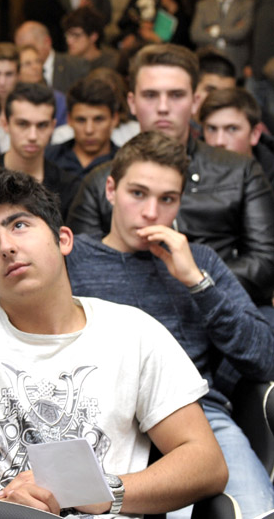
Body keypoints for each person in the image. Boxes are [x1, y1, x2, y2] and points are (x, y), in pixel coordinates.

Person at [0, 166, 228, 516]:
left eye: (20, 225)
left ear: (64, 240)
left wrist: (101, 490)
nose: (6, 247)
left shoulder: (134, 331)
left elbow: (207, 463)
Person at [66, 132, 274, 518]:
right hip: (101, 416)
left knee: (254, 512)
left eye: (167, 199)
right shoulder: (72, 258)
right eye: (138, 194)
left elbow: (264, 358)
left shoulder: (199, 261)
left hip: (196, 415)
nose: (150, 212)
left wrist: (196, 282)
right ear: (111, 190)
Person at [67, 43, 274, 306]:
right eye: (150, 95)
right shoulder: (100, 180)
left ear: (196, 101)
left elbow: (266, 262)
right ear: (132, 102)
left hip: (224, 305)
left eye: (176, 95)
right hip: (128, 312)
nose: (163, 107)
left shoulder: (240, 170)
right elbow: (83, 266)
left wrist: (195, 280)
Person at [0, 83, 79, 218]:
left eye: (42, 125)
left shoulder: (69, 187)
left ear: (53, 127)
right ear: (5, 124)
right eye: (23, 124)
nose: (32, 136)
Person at [45, 75, 120, 180]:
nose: (89, 130)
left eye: (98, 119)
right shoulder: (47, 158)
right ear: (69, 119)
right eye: (81, 120)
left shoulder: (125, 164)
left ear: (114, 119)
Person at [199, 87, 274, 184]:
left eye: (232, 129)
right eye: (212, 129)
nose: (219, 141)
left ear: (254, 134)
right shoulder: (188, 170)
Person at [191, 0, 255, 77]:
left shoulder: (247, 4)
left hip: (236, 63)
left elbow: (241, 33)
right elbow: (195, 34)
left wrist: (214, 30)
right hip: (208, 61)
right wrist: (231, 29)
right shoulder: (203, 4)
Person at [14, 20, 88, 95]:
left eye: (29, 47)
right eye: (19, 48)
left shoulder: (77, 66)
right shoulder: (15, 78)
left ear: (47, 42)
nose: (24, 52)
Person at [62, 7, 118, 72]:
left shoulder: (112, 63)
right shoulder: (64, 63)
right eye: (67, 35)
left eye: (76, 35)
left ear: (93, 36)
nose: (68, 41)